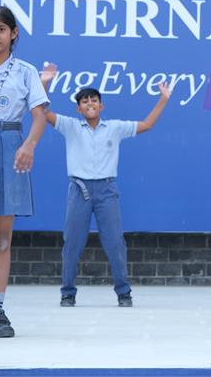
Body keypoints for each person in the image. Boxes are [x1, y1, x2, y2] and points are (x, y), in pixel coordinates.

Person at [40, 64, 171, 307]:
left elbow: (147, 124)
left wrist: (163, 99)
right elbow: (43, 112)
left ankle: (124, 292)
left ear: (102, 106)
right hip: (79, 190)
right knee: (72, 243)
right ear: (78, 108)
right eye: (85, 101)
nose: (90, 104)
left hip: (107, 191)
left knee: (115, 242)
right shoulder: (70, 126)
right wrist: (45, 83)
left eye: (94, 100)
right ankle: (67, 293)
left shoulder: (115, 128)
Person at [0, 6, 48, 338]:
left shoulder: (25, 71)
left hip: (10, 146)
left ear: (13, 33)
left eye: (1, 29)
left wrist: (29, 144)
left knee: (2, 237)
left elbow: (40, 115)